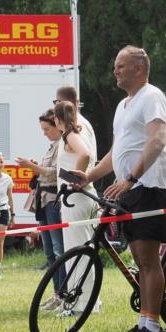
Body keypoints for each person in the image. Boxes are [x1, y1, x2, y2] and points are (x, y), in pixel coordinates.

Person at [73, 46, 166, 332]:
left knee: (147, 259)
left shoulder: (152, 96)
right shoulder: (123, 106)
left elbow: (157, 141)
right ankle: (144, 323)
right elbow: (115, 151)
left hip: (151, 185)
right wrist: (89, 176)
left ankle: (152, 326)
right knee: (139, 258)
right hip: (132, 187)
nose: (115, 71)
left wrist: (131, 178)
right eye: (115, 66)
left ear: (139, 69)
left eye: (121, 66)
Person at [17, 109, 66, 308]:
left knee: (58, 249)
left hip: (53, 201)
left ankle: (63, 293)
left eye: (47, 129)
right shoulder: (52, 146)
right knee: (49, 252)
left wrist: (33, 167)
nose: (44, 133)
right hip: (43, 200)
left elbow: (56, 174)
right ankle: (57, 293)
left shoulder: (63, 145)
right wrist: (35, 168)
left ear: (57, 127)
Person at [53, 100, 99, 313]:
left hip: (77, 197)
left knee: (77, 252)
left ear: (57, 118)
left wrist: (75, 180)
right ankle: (89, 302)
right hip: (84, 196)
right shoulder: (77, 132)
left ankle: (80, 305)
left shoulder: (69, 135)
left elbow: (85, 154)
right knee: (84, 251)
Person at [54, 85, 97, 163]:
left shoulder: (75, 124)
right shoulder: (79, 122)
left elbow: (85, 155)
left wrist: (77, 175)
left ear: (59, 102)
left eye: (55, 102)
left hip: (77, 174)